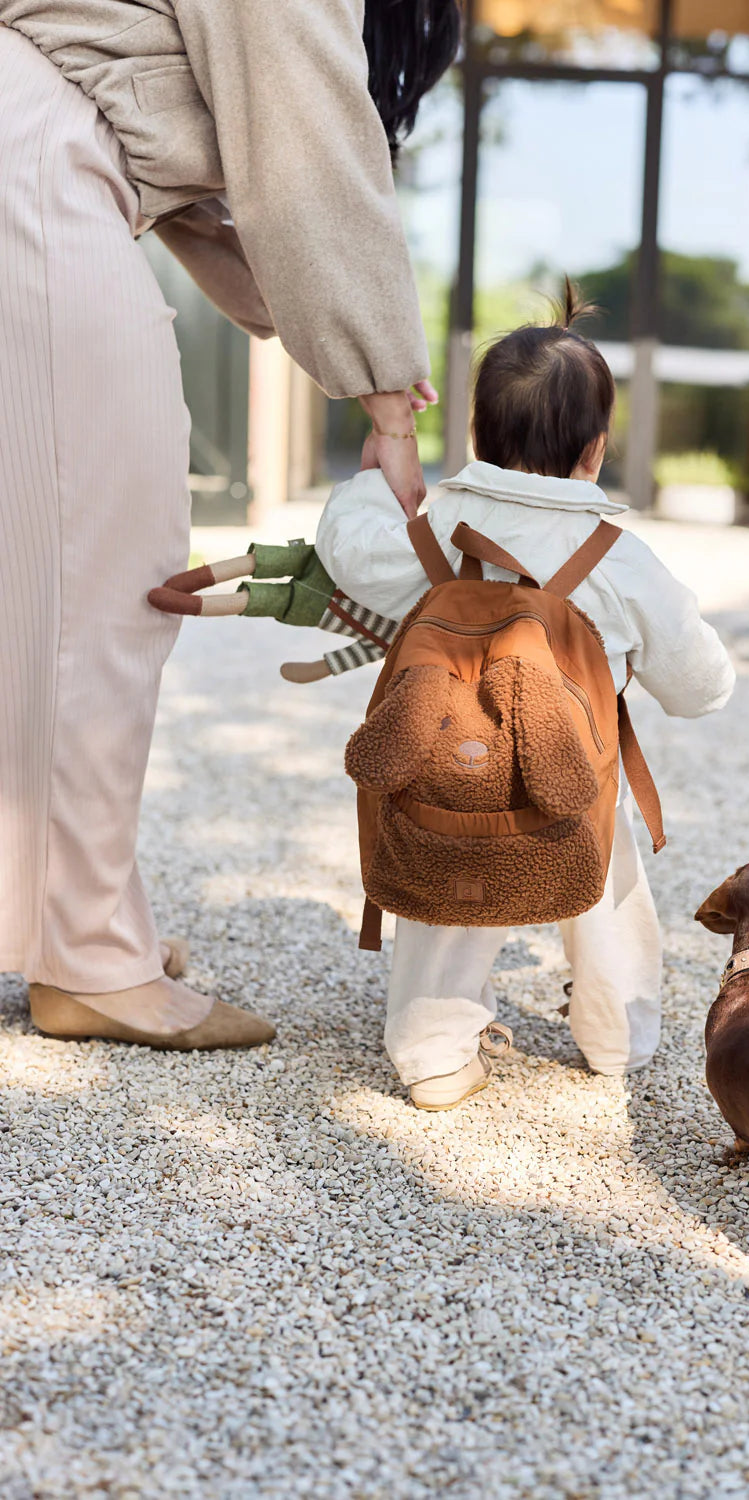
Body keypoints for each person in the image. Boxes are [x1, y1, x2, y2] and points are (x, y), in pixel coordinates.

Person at [0, 0, 460, 1048]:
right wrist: (386, 393)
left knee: (29, 582)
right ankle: (87, 959)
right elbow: (305, 135)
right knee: (108, 587)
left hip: (25, 145)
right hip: (30, 172)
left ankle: (60, 909)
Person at [315, 288, 736, 1109]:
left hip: (446, 767)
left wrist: (372, 481)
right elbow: (697, 688)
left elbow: (351, 553)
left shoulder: (435, 526)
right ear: (596, 450)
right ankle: (616, 1035)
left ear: (477, 436)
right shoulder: (618, 557)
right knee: (606, 885)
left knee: (447, 880)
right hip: (573, 777)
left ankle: (435, 1053)